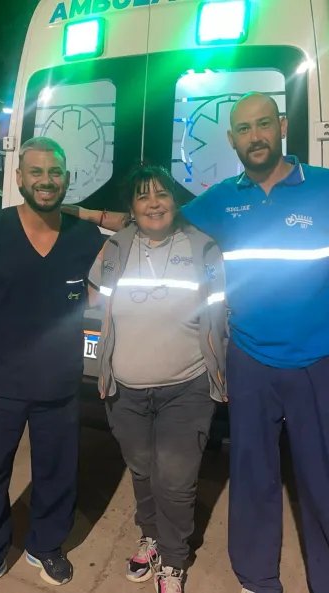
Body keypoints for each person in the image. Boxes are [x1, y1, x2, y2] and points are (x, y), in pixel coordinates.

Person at [65, 92, 329, 593]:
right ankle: (257, 580)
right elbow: (155, 217)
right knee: (254, 479)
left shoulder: (324, 186)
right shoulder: (221, 199)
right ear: (232, 139)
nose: (255, 136)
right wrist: (84, 216)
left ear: (282, 126)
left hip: (321, 362)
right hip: (250, 360)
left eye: (263, 124)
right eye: (244, 129)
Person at [0, 137, 106, 593]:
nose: (46, 181)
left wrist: (101, 356)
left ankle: (45, 546)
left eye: (55, 172)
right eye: (36, 172)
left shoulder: (85, 239)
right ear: (19, 178)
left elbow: (100, 297)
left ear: (67, 179)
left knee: (57, 471)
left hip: (60, 382)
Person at [86, 164, 227, 593]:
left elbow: (220, 316)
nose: (153, 203)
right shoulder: (114, 249)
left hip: (186, 388)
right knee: (143, 470)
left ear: (175, 201)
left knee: (177, 479)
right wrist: (99, 366)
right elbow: (94, 309)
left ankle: (173, 559)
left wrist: (220, 371)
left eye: (162, 194)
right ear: (131, 207)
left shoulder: (203, 248)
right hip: (126, 391)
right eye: (143, 196)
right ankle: (150, 536)